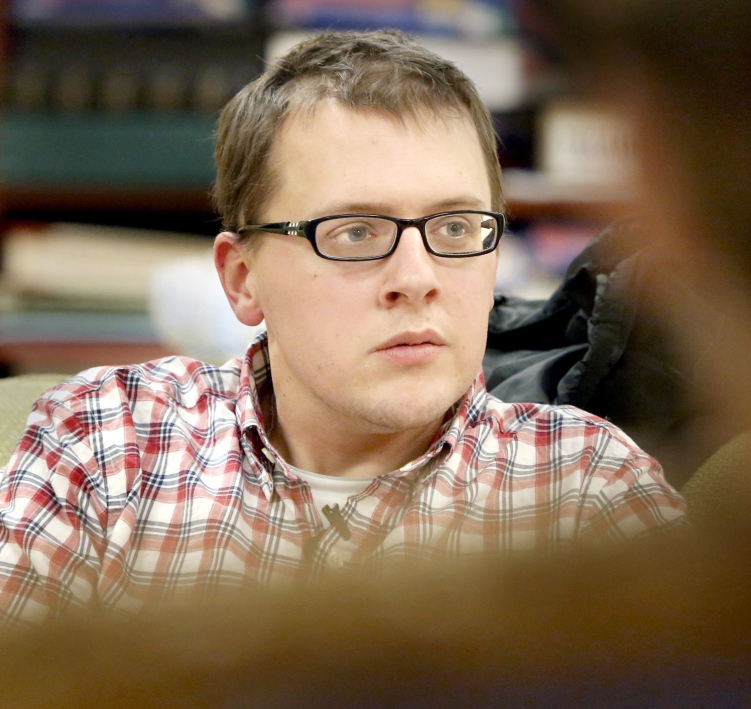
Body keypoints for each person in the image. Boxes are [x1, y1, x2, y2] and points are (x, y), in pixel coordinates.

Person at [0, 29, 685, 627]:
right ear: (243, 279)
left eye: (453, 227)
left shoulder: (585, 488)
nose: (417, 276)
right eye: (354, 231)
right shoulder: (104, 442)